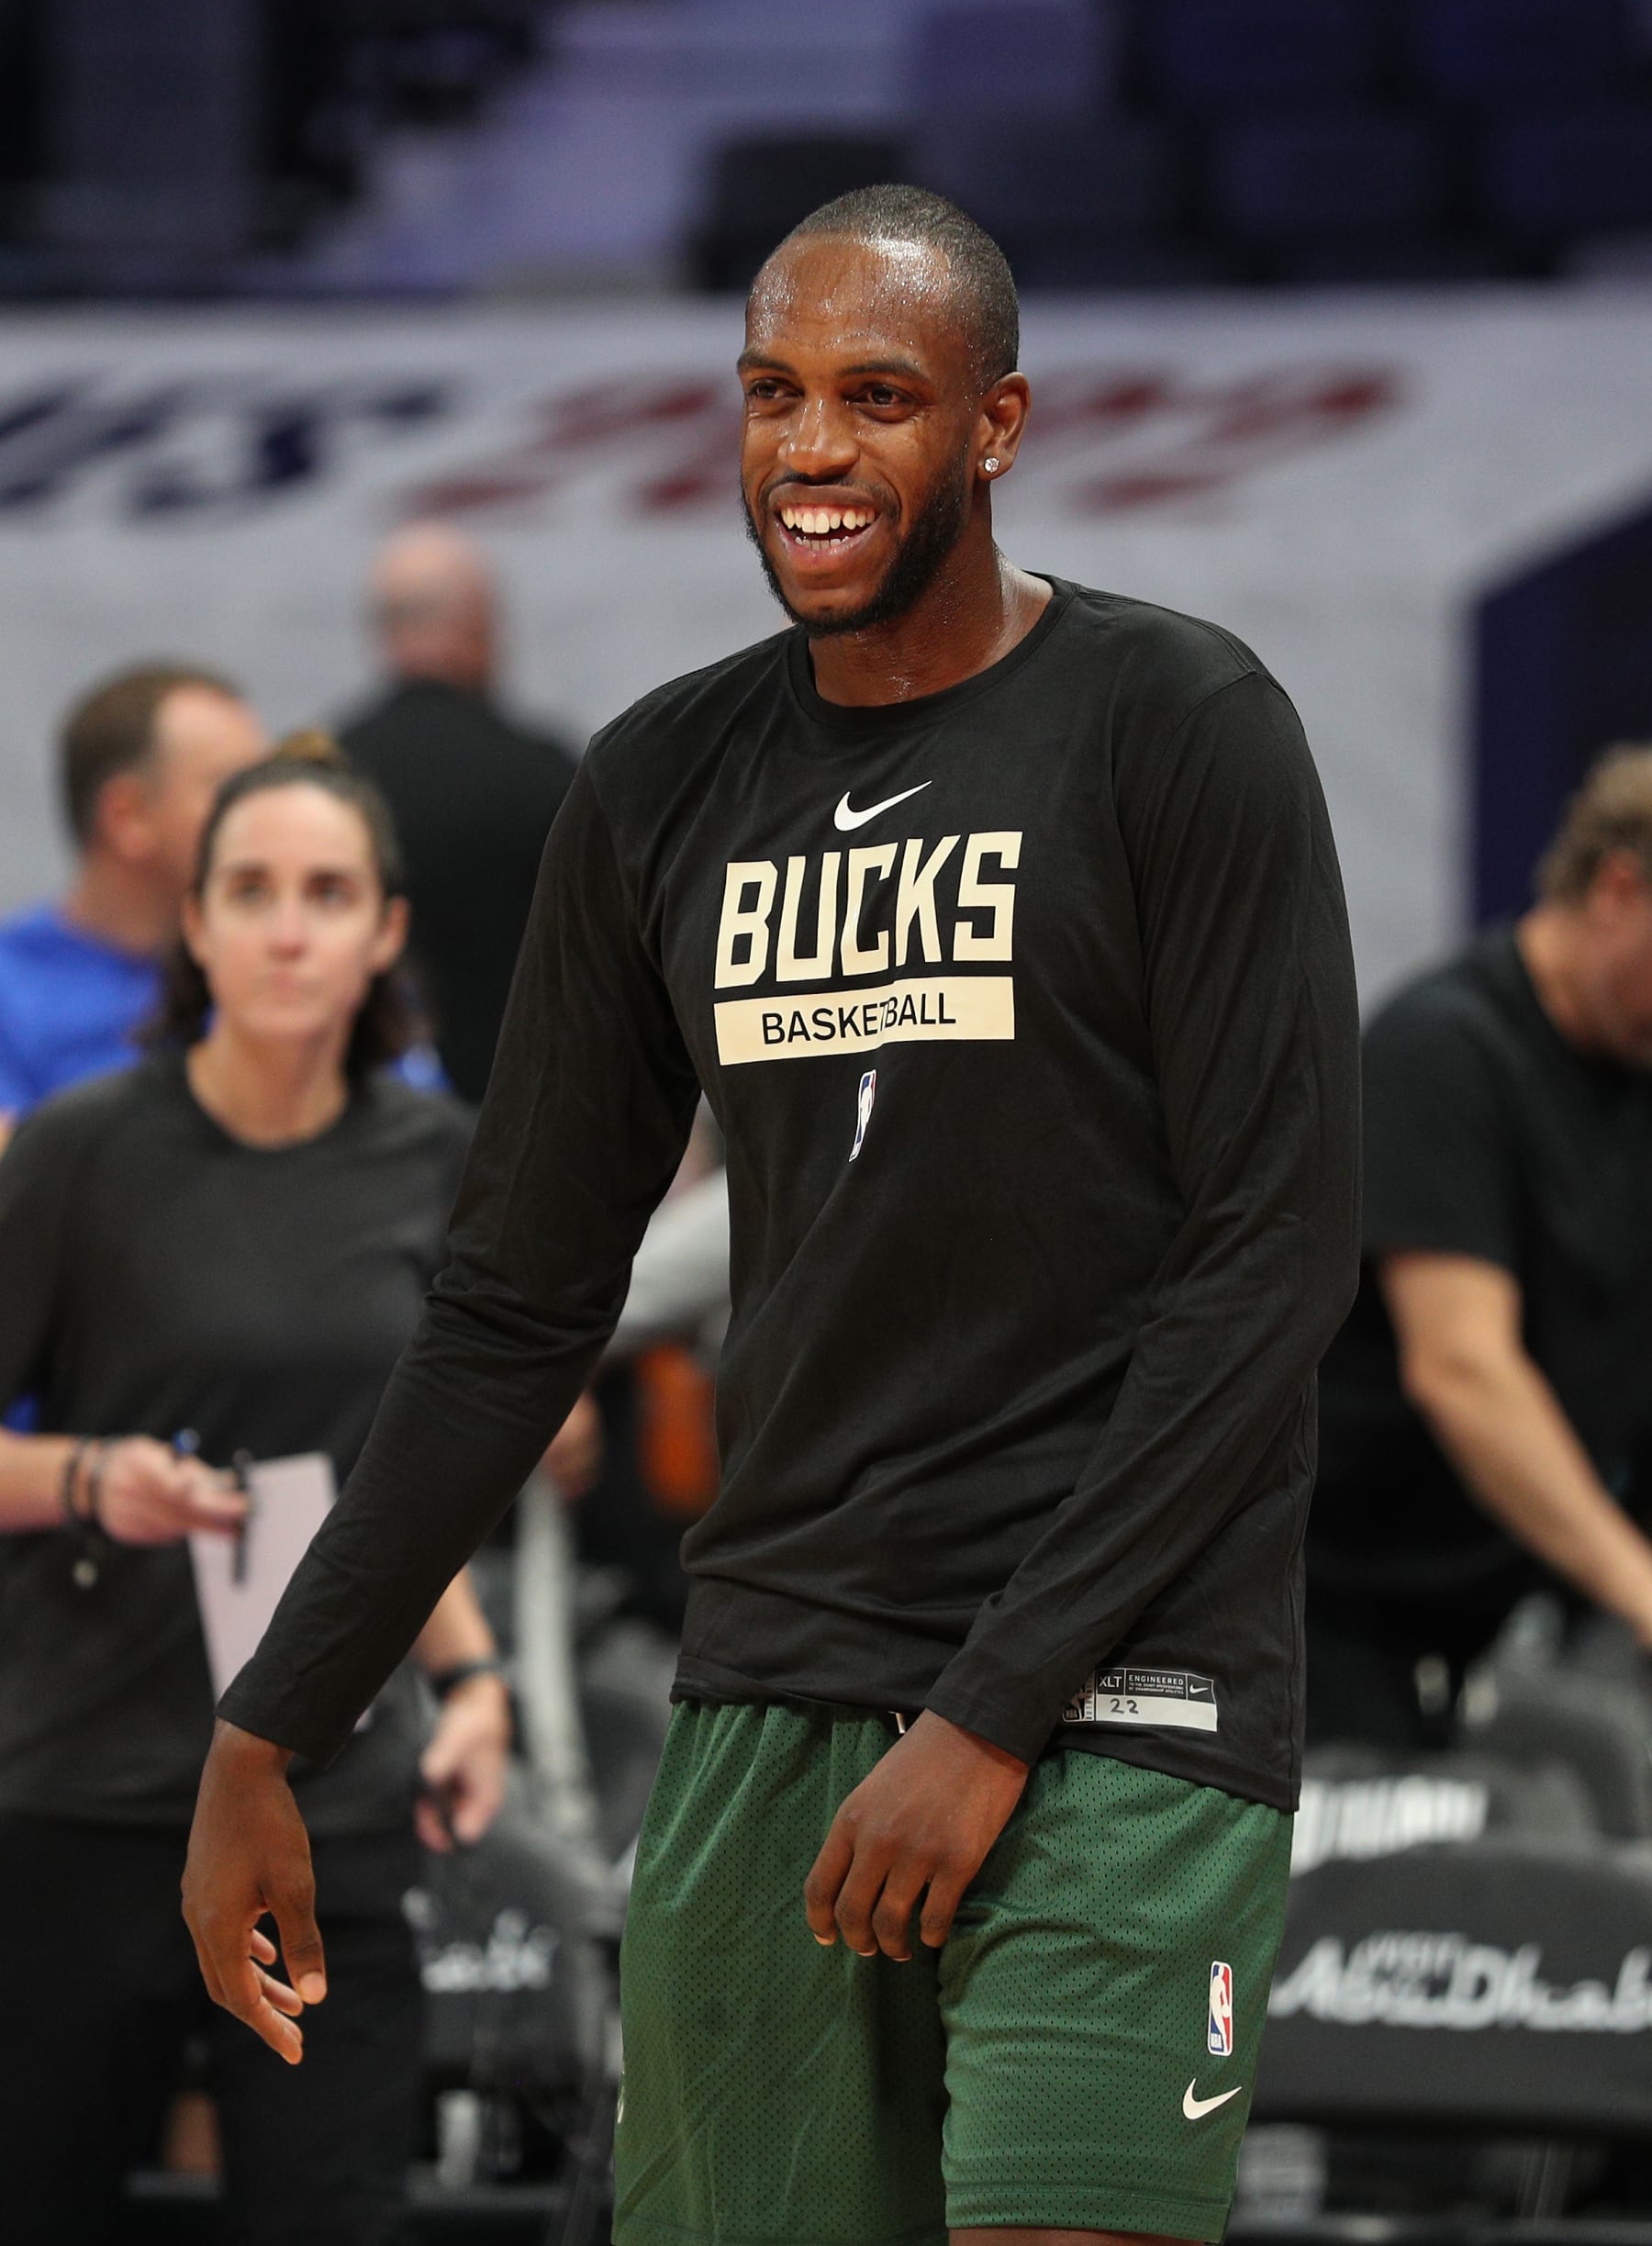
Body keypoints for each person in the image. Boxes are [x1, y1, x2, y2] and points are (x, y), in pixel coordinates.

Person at [185, 184, 1360, 2246]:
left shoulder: (1181, 724)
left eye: (877, 397)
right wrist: (270, 1721)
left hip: (1127, 1694)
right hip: (773, 1688)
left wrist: (991, 1712)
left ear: (996, 427)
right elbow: (511, 1305)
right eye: (771, 392)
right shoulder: (659, 785)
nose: (811, 446)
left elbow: (1272, 1264)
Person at [0, 734, 510, 2246]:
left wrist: (474, 1680)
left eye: (328, 894)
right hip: (88, 1794)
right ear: (197, 922)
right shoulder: (84, 1154)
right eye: (253, 891)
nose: (290, 931)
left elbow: (399, 1486)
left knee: (336, 2218)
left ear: (386, 930)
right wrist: (91, 1476)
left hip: (323, 1796)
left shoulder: (443, 1164)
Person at [1308, 744, 1652, 1749]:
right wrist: (1639, 1587)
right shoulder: (1443, 1053)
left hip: (1501, 1626)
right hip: (1338, 1632)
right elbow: (1463, 1370)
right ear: (1619, 890)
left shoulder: (1634, 1073)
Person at [338, 522, 581, 1101]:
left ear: (386, 632)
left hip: (356, 1117)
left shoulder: (326, 778)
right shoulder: (548, 775)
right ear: (480, 626)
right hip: (523, 1114)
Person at [0, 661, 266, 1144]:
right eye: (232, 789)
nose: (270, 814)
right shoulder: (10, 991)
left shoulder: (291, 968)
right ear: (129, 818)